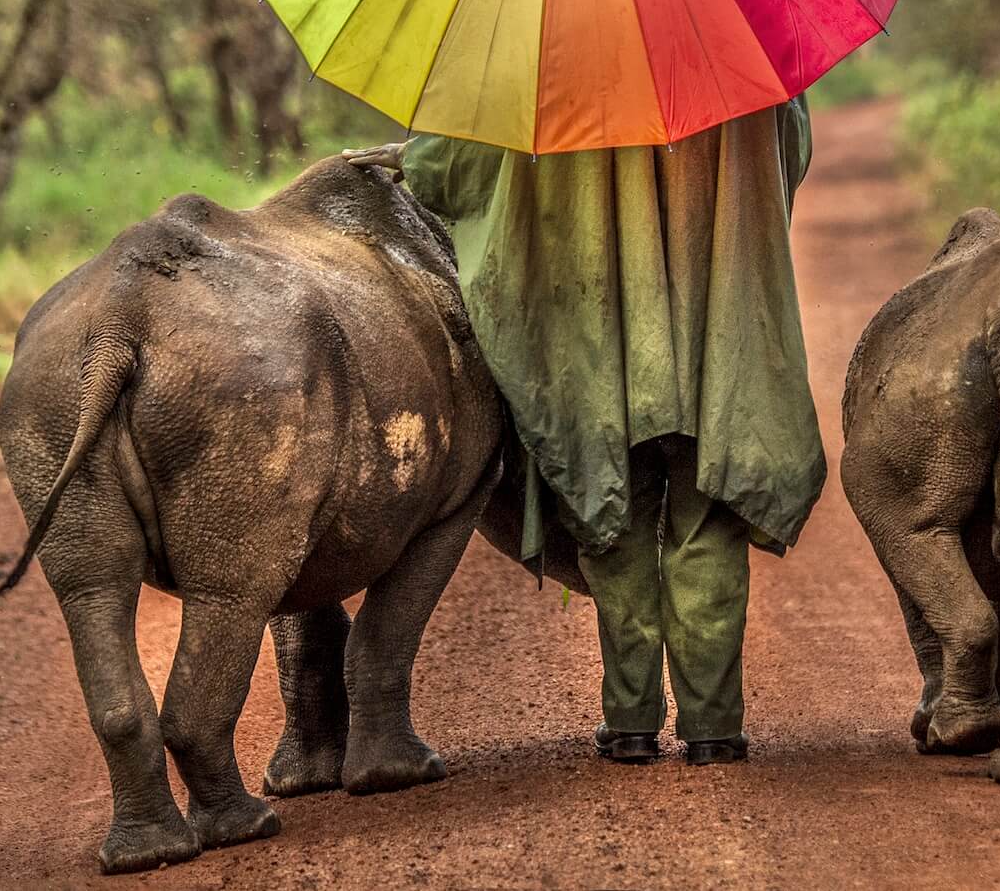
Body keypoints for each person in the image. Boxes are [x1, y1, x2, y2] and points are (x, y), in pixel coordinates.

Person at [347, 99, 824, 765]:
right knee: (709, 517)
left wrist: (411, 158)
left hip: (600, 339)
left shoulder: (556, 42)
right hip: (718, 327)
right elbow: (791, 152)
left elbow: (466, 160)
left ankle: (630, 723)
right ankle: (713, 728)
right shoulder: (743, 47)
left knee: (615, 517)